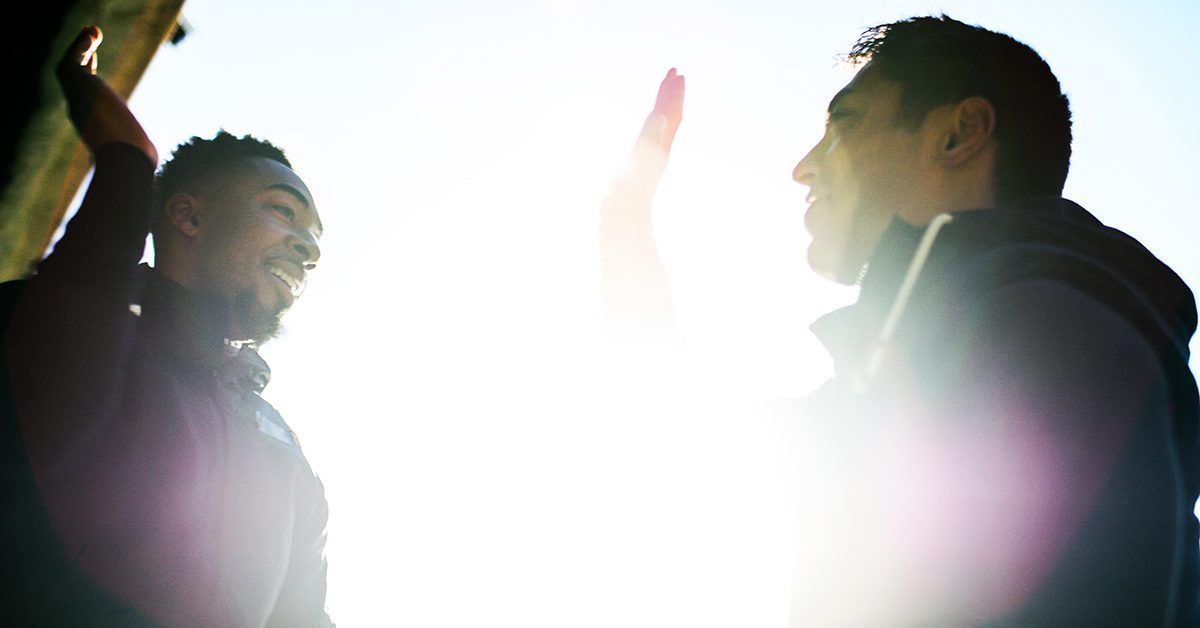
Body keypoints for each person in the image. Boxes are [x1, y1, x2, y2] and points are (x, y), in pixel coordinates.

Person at [602, 15, 1199, 626]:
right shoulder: (941, 355)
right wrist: (624, 223)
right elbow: (698, 436)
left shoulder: (1051, 335)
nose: (804, 167)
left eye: (845, 123)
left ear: (957, 134)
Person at [2, 26, 333, 625]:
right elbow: (73, 324)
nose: (306, 247)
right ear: (187, 215)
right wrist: (128, 162)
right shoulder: (38, 320)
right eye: (284, 211)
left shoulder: (283, 450)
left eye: (313, 240)